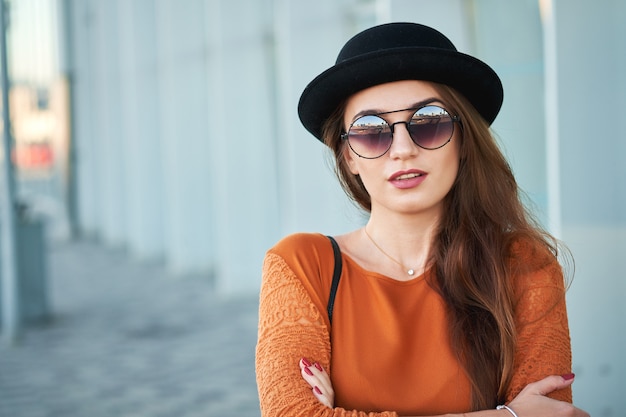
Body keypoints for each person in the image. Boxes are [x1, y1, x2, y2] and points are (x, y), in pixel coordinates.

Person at [255, 22, 589, 417]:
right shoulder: (301, 265)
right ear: (348, 156)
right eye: (370, 131)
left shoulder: (523, 265)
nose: (402, 149)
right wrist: (506, 414)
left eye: (429, 121)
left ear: (464, 139)